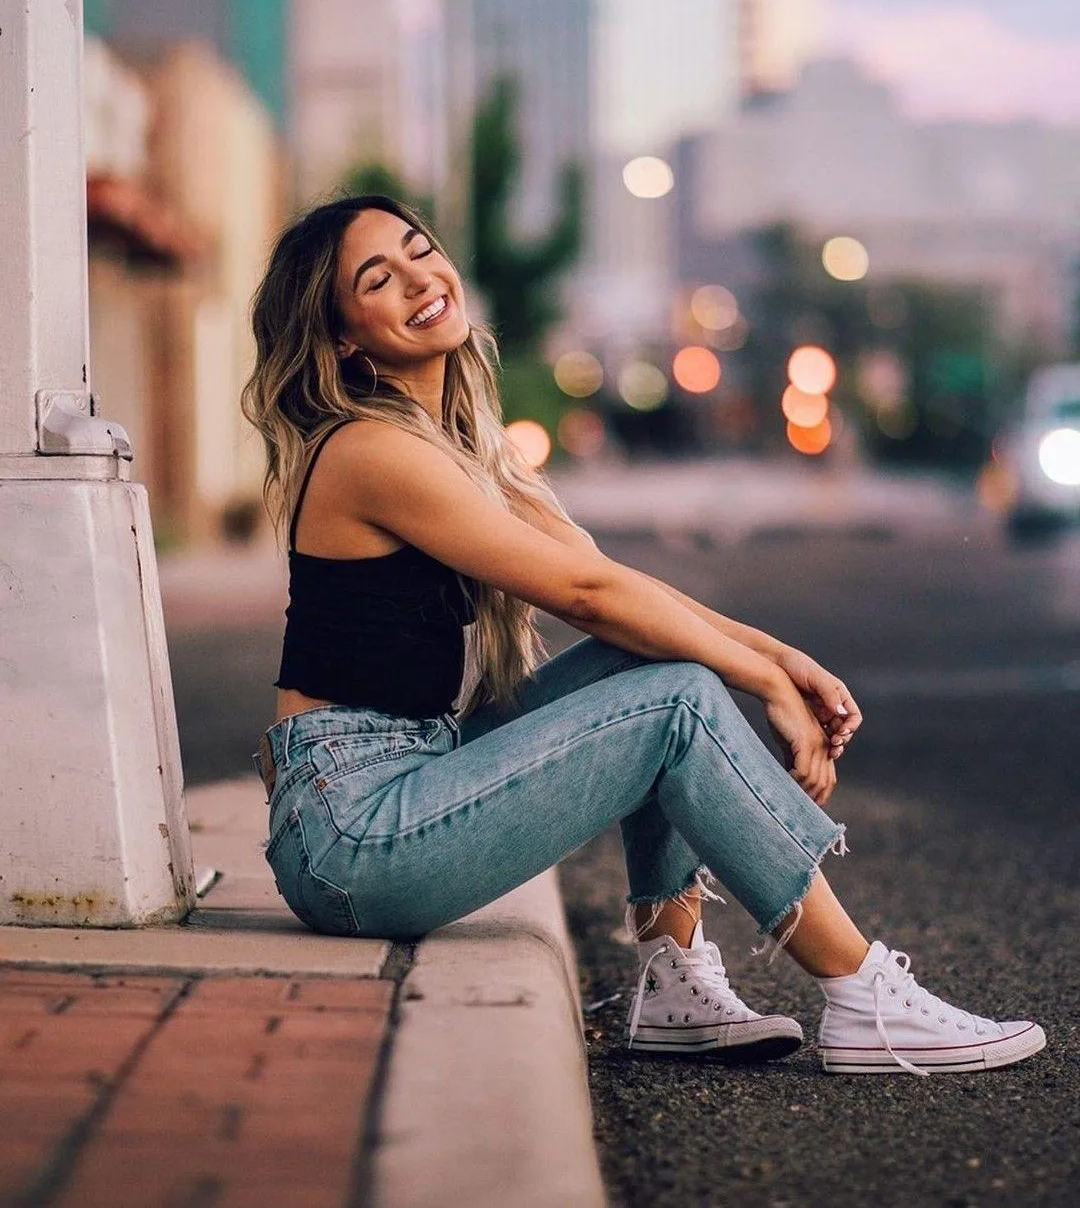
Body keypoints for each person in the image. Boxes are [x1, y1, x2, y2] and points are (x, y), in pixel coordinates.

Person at [241, 195, 1045, 1076]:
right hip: (353, 835)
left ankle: (674, 982)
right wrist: (762, 683)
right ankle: (861, 995)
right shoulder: (371, 451)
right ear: (346, 338)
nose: (420, 280)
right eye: (377, 279)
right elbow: (583, 593)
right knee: (677, 702)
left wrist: (774, 656)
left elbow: (615, 589)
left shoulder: (448, 445)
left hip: (406, 774)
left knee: (652, 655)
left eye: (418, 249)